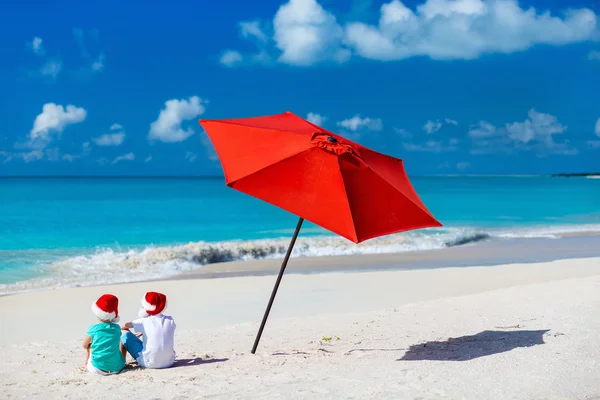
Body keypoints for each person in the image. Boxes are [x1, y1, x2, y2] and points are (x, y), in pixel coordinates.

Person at [120, 291, 176, 369]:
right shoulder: (170, 320)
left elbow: (123, 326)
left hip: (149, 363)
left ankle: (122, 362)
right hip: (169, 362)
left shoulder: (143, 321)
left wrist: (132, 335)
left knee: (124, 332)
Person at [82, 294, 126, 375]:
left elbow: (84, 345)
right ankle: (122, 361)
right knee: (118, 343)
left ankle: (86, 363)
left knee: (90, 346)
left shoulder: (94, 328)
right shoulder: (117, 328)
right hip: (117, 368)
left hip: (97, 368)